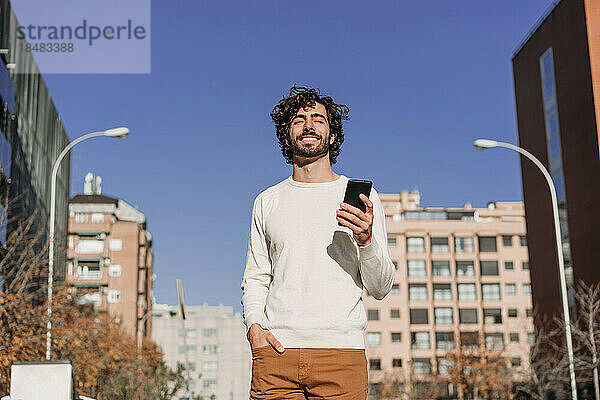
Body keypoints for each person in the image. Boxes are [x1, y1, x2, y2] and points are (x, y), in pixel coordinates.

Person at [241, 85, 395, 399]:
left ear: (333, 135)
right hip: (276, 355)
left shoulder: (363, 198)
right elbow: (257, 276)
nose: (308, 125)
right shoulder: (266, 201)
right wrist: (255, 327)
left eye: (318, 119)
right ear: (286, 136)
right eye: (299, 119)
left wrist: (365, 240)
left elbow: (380, 287)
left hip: (341, 354)